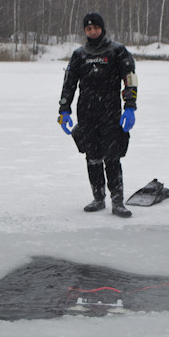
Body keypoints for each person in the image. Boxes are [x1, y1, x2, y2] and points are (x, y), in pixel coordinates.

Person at [58, 12, 138, 218]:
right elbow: (69, 84)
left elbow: (130, 80)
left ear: (102, 28)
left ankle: (117, 201)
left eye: (95, 28)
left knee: (112, 157)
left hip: (111, 112)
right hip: (87, 112)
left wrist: (130, 106)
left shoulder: (117, 51)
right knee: (92, 157)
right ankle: (98, 197)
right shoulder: (79, 55)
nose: (92, 32)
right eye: (88, 29)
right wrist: (63, 110)